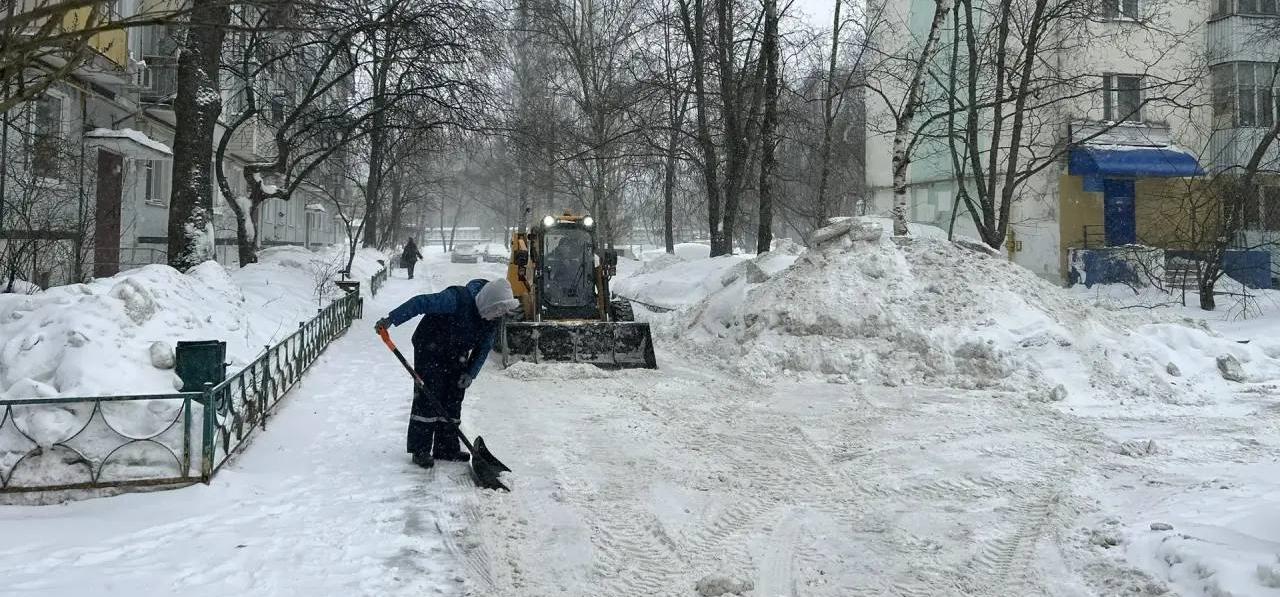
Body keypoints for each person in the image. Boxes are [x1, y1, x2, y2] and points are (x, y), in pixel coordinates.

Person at [375, 278, 520, 469]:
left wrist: (470, 373)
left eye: (500, 313)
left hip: (456, 353)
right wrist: (392, 319)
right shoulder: (456, 299)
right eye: (496, 311)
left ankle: (446, 448)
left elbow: (484, 348)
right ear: (488, 303)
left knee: (453, 396)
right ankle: (420, 450)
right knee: (428, 396)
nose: (497, 317)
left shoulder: (491, 320)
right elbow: (421, 302)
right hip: (429, 347)